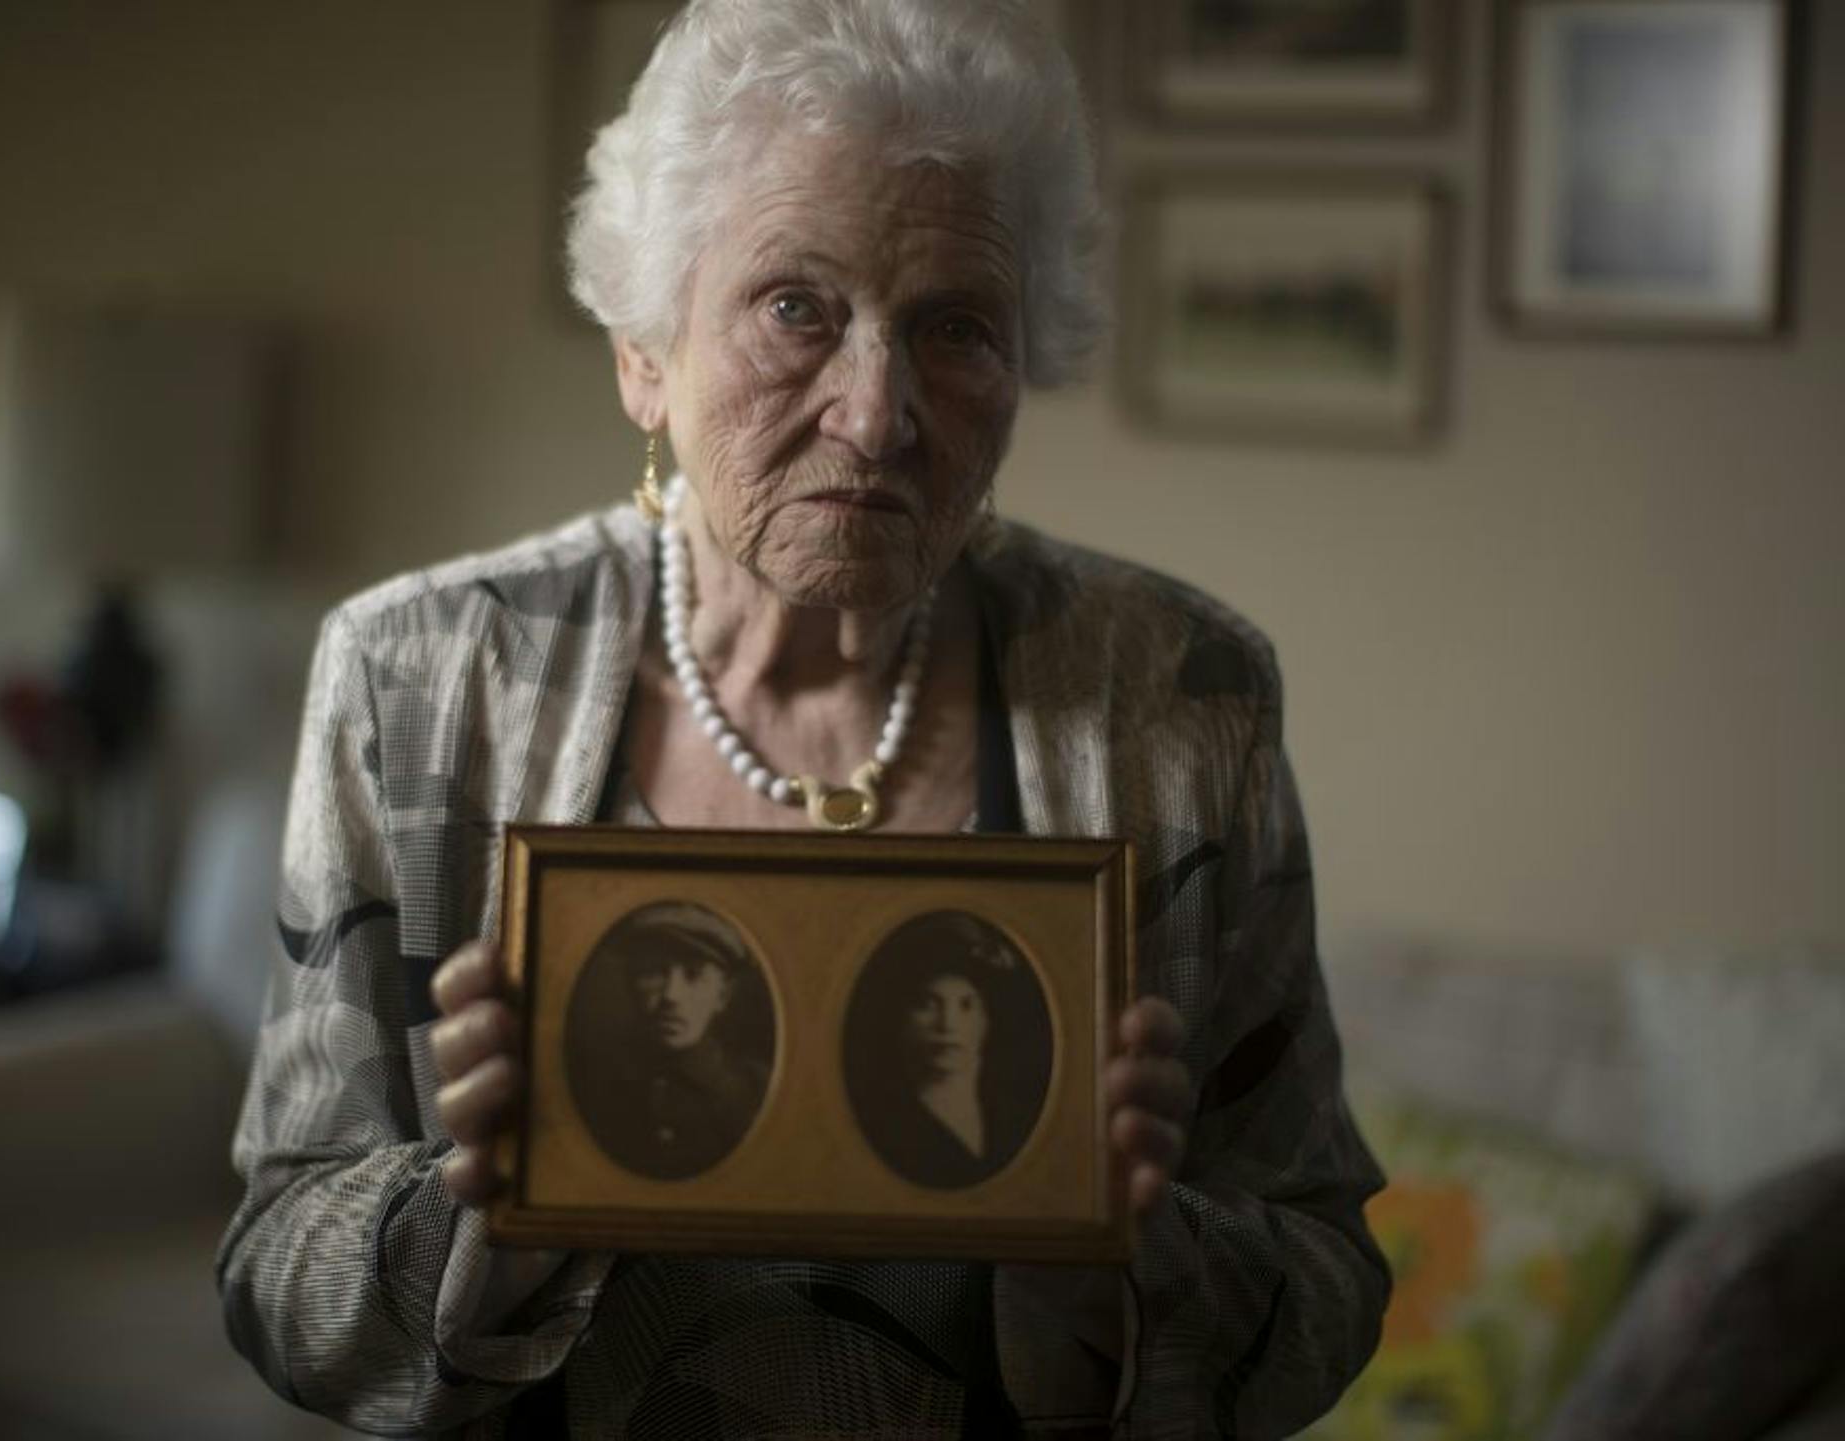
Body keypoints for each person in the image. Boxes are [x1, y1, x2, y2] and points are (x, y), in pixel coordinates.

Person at [218, 1, 1389, 1435]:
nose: (878, 410)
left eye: (957, 325)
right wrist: (486, 1207)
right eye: (796, 308)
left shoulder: (1181, 697)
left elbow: (1326, 1279)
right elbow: (277, 1276)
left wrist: (1118, 1248)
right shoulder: (418, 680)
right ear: (645, 354)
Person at [845, 910, 1051, 1191]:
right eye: (928, 1004)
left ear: (985, 1021)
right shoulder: (878, 1126)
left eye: (966, 1006)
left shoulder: (1015, 1117)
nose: (948, 1025)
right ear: (900, 1020)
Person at [566, 902, 771, 1181]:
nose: (672, 995)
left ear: (723, 995)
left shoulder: (756, 1090)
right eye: (652, 972)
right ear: (630, 983)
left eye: (694, 974)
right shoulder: (591, 1085)